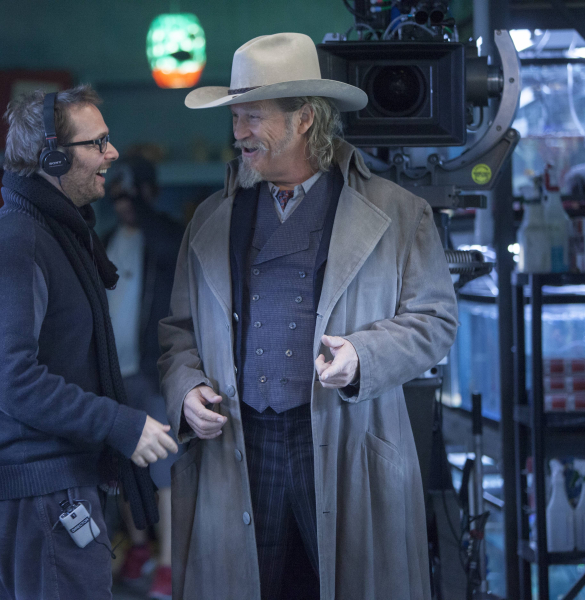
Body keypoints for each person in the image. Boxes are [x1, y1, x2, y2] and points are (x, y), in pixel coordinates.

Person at [158, 33, 458, 600]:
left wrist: (363, 356)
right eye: (235, 118)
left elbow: (435, 320)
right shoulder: (210, 218)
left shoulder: (399, 212)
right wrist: (187, 387)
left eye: (252, 117)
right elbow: (178, 331)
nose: (238, 133)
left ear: (304, 120)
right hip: (240, 442)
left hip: (347, 440)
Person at [0, 85, 178, 599]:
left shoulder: (53, 232)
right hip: (41, 490)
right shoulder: (17, 243)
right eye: (97, 142)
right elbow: (10, 377)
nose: (112, 153)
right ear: (53, 157)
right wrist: (118, 423)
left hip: (57, 485)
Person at [104, 157, 184, 599]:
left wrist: (141, 205)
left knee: (164, 469)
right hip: (114, 374)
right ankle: (138, 547)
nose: (125, 205)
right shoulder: (106, 239)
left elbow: (171, 245)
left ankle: (167, 563)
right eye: (118, 196)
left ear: (151, 194)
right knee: (122, 467)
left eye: (132, 195)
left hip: (152, 372)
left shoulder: (166, 236)